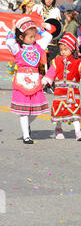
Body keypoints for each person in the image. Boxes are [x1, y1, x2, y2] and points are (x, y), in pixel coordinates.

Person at [5, 16, 55, 144]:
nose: (33, 39)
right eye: (30, 36)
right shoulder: (17, 48)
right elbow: (9, 42)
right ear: (21, 37)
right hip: (22, 81)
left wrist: (38, 29)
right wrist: (12, 29)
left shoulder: (37, 46)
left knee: (36, 111)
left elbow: (49, 37)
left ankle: (26, 125)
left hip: (35, 80)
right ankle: (26, 135)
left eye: (34, 36)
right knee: (24, 111)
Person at [42, 33, 81, 141]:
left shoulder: (78, 62)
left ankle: (78, 131)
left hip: (72, 92)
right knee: (60, 111)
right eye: (61, 49)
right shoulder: (56, 61)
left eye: (65, 49)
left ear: (72, 49)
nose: (62, 52)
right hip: (59, 92)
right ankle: (58, 129)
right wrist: (44, 82)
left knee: (74, 110)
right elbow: (50, 74)